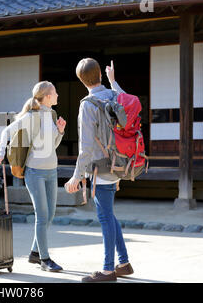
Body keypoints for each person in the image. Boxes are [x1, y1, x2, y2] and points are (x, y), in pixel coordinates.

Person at [65, 59, 134, 282]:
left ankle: (107, 269)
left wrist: (76, 176)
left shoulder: (87, 104)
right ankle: (123, 263)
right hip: (120, 162)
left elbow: (85, 147)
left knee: (105, 217)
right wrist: (114, 82)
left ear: (81, 80)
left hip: (100, 168)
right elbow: (128, 101)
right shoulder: (114, 95)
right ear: (100, 76)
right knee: (109, 214)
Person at [0, 81, 66, 272]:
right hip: (35, 172)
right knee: (42, 217)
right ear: (47, 96)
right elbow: (6, 131)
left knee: (49, 216)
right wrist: (1, 155)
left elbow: (53, 145)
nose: (58, 95)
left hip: (52, 171)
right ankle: (45, 259)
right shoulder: (32, 117)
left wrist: (60, 131)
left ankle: (34, 253)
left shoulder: (52, 114)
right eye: (55, 92)